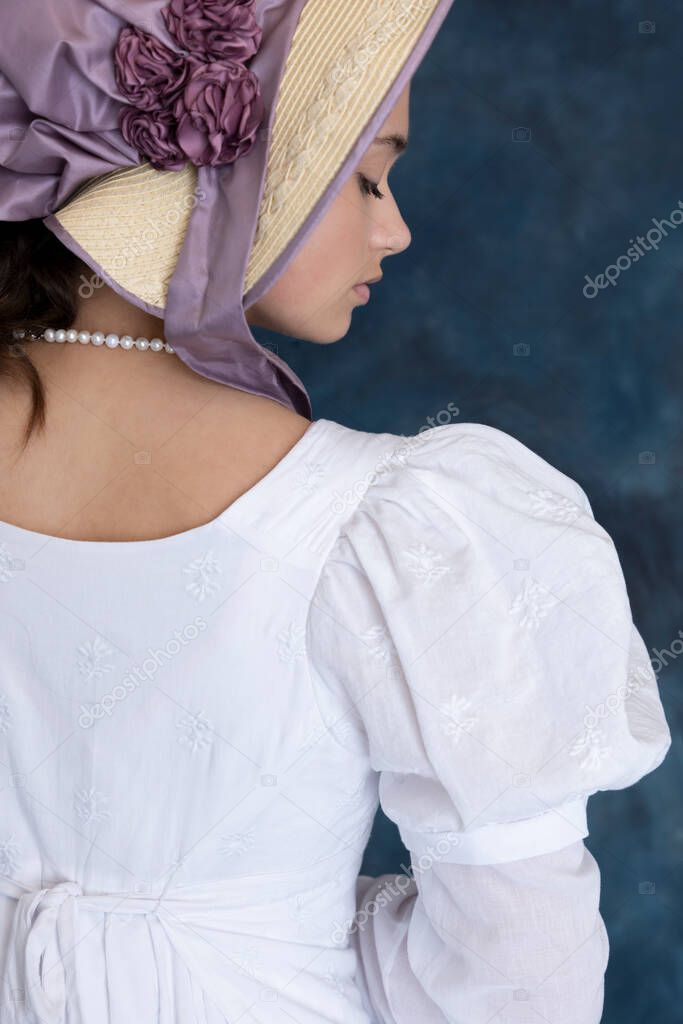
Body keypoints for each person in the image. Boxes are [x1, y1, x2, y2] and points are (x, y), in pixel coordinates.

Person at [0, 2, 671, 1022]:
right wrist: (261, 927)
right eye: (364, 174)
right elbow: (517, 978)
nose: (392, 226)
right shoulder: (389, 526)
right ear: (216, 173)